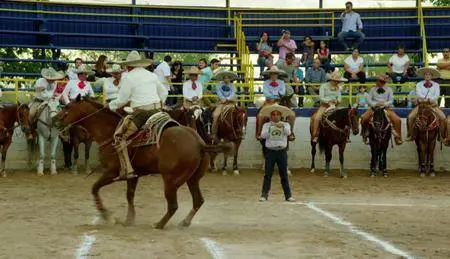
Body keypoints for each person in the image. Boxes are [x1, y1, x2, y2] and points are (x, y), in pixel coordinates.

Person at [105, 51, 168, 181]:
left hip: (142, 113)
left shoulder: (128, 77)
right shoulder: (152, 75)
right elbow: (164, 92)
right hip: (158, 111)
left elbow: (122, 100)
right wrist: (159, 103)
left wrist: (110, 106)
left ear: (128, 66)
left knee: (119, 137)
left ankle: (127, 170)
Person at [258, 104, 295, 202]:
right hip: (270, 152)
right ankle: (264, 194)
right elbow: (263, 135)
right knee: (267, 174)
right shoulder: (266, 125)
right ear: (271, 116)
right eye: (273, 114)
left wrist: (282, 127)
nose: (275, 116)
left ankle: (288, 195)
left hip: (281, 152)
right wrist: (271, 127)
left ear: (280, 116)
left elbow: (289, 133)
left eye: (277, 114)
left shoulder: (286, 124)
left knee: (284, 175)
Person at [360, 75, 403, 145]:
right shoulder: (372, 89)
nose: (379, 83)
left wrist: (385, 104)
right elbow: (368, 100)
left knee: (397, 120)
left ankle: (398, 137)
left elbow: (391, 100)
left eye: (382, 82)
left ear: (384, 82)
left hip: (386, 108)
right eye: (379, 81)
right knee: (364, 118)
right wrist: (375, 104)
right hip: (374, 108)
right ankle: (365, 135)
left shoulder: (389, 89)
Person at [407, 67, 447, 142]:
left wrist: (429, 100)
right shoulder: (419, 84)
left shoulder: (436, 85)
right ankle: (411, 135)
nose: (427, 76)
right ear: (424, 76)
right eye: (426, 74)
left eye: (429, 74)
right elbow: (419, 94)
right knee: (410, 117)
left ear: (431, 76)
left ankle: (442, 136)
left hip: (433, 105)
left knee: (443, 117)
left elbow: (437, 95)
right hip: (421, 105)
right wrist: (425, 100)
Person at [310, 70, 347, 143]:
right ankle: (315, 135)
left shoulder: (338, 88)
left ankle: (345, 135)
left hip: (335, 106)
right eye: (335, 81)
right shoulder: (323, 86)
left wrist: (337, 101)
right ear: (332, 80)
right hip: (324, 106)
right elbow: (321, 97)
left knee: (345, 116)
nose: (337, 82)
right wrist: (328, 101)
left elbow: (339, 97)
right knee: (317, 118)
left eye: (338, 81)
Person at [256, 66, 287, 139]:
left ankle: (290, 132)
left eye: (275, 74)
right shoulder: (266, 83)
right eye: (272, 74)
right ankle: (259, 132)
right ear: (270, 74)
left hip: (279, 102)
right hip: (268, 102)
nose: (274, 75)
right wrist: (275, 96)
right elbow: (266, 93)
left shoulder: (281, 82)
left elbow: (283, 93)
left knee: (289, 115)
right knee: (260, 116)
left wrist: (274, 96)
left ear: (277, 74)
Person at [210, 71, 238, 140]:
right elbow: (219, 93)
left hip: (231, 102)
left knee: (235, 114)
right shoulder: (218, 85)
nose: (226, 79)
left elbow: (233, 93)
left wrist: (227, 99)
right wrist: (223, 99)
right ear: (223, 79)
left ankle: (237, 130)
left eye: (228, 78)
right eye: (225, 78)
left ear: (230, 79)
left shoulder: (233, 86)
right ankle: (214, 132)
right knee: (215, 115)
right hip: (221, 102)